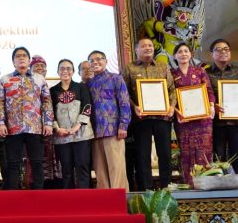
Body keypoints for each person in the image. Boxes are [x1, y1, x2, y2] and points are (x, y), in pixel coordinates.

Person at [0, 47, 54, 190]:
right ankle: (13, 195)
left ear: (29, 61)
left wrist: (48, 123)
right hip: (12, 128)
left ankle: (39, 194)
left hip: (34, 127)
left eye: (24, 56)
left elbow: (47, 102)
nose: (21, 58)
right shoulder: (5, 80)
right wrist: (0, 123)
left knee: (36, 161)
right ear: (13, 61)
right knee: (13, 163)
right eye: (17, 56)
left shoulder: (39, 79)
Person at [122, 37, 176, 190]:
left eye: (150, 45)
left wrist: (172, 106)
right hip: (141, 119)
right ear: (136, 50)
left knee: (165, 154)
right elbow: (124, 94)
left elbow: (172, 90)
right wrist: (134, 107)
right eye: (144, 46)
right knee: (142, 155)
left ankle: (167, 188)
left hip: (163, 118)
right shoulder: (129, 68)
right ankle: (147, 190)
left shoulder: (163, 66)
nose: (148, 48)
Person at [206, 39, 238, 174]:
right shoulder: (206, 73)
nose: (223, 52)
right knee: (218, 156)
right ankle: (219, 187)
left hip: (237, 120)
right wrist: (211, 105)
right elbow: (203, 95)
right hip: (216, 123)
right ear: (212, 54)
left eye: (226, 49)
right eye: (219, 49)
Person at [170, 43, 214, 187]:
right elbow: (170, 95)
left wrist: (212, 106)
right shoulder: (172, 74)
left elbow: (208, 90)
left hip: (202, 119)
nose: (183, 54)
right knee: (186, 151)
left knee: (204, 150)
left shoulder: (200, 71)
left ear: (190, 54)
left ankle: (206, 183)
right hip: (183, 119)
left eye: (186, 51)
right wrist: (177, 112)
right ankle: (189, 183)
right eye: (180, 52)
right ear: (175, 56)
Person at [87, 50, 131, 190]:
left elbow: (124, 102)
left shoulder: (115, 78)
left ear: (106, 61)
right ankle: (105, 204)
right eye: (92, 60)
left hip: (113, 130)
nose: (96, 62)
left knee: (116, 169)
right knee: (100, 172)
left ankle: (120, 202)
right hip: (95, 132)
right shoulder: (89, 84)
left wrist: (123, 125)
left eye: (99, 59)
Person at [50, 59, 93, 188]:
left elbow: (87, 106)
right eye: (62, 68)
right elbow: (49, 111)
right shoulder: (53, 90)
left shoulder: (81, 87)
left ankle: (84, 198)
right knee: (66, 169)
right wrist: (57, 129)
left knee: (82, 167)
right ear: (58, 71)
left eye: (68, 68)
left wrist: (77, 126)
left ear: (73, 71)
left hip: (82, 134)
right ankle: (68, 200)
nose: (65, 71)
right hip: (62, 136)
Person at [29, 55, 61, 188]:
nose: (40, 68)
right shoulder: (27, 84)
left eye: (43, 66)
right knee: (36, 160)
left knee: (56, 159)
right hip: (34, 130)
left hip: (53, 130)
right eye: (36, 66)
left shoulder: (53, 87)